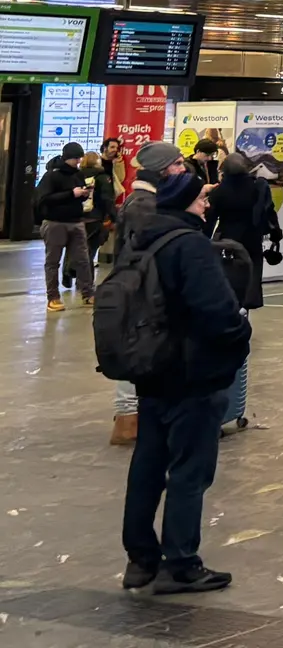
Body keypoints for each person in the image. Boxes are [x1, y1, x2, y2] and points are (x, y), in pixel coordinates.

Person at [117, 169, 251, 595]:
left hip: (151, 369)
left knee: (148, 466)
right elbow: (216, 311)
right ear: (185, 203)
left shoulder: (144, 239)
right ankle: (181, 563)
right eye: (200, 199)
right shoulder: (190, 245)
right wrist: (239, 338)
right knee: (190, 471)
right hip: (192, 373)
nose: (206, 204)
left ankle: (140, 559)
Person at [110, 141, 185, 447]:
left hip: (141, 290)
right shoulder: (143, 205)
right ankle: (128, 419)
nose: (182, 169)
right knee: (137, 351)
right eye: (178, 164)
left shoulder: (145, 201)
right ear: (162, 169)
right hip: (139, 292)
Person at [208, 153, 279, 434]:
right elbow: (268, 211)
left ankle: (231, 312)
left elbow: (210, 219)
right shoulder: (258, 187)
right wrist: (274, 235)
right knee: (250, 282)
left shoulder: (220, 192)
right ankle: (244, 315)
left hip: (227, 242)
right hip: (252, 242)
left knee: (228, 281)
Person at [35, 140, 94, 311]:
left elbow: (77, 197)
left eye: (80, 158)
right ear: (66, 157)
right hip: (55, 223)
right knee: (53, 261)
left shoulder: (78, 174)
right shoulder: (52, 175)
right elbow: (44, 199)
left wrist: (84, 194)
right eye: (75, 158)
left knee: (83, 260)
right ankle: (52, 297)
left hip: (76, 221)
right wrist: (71, 194)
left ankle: (88, 293)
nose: (78, 161)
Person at [80, 149, 117, 278]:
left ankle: (73, 276)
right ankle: (87, 281)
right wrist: (114, 216)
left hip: (78, 218)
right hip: (95, 218)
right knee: (90, 250)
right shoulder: (102, 177)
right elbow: (107, 199)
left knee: (79, 249)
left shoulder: (77, 175)